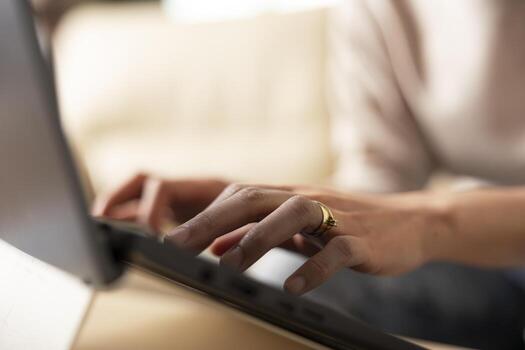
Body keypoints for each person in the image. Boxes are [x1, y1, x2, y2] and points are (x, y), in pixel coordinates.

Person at [86, 1, 525, 348]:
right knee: (290, 269)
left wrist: (432, 220)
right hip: (482, 259)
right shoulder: (381, 8)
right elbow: (382, 180)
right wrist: (272, 205)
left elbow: (409, 211)